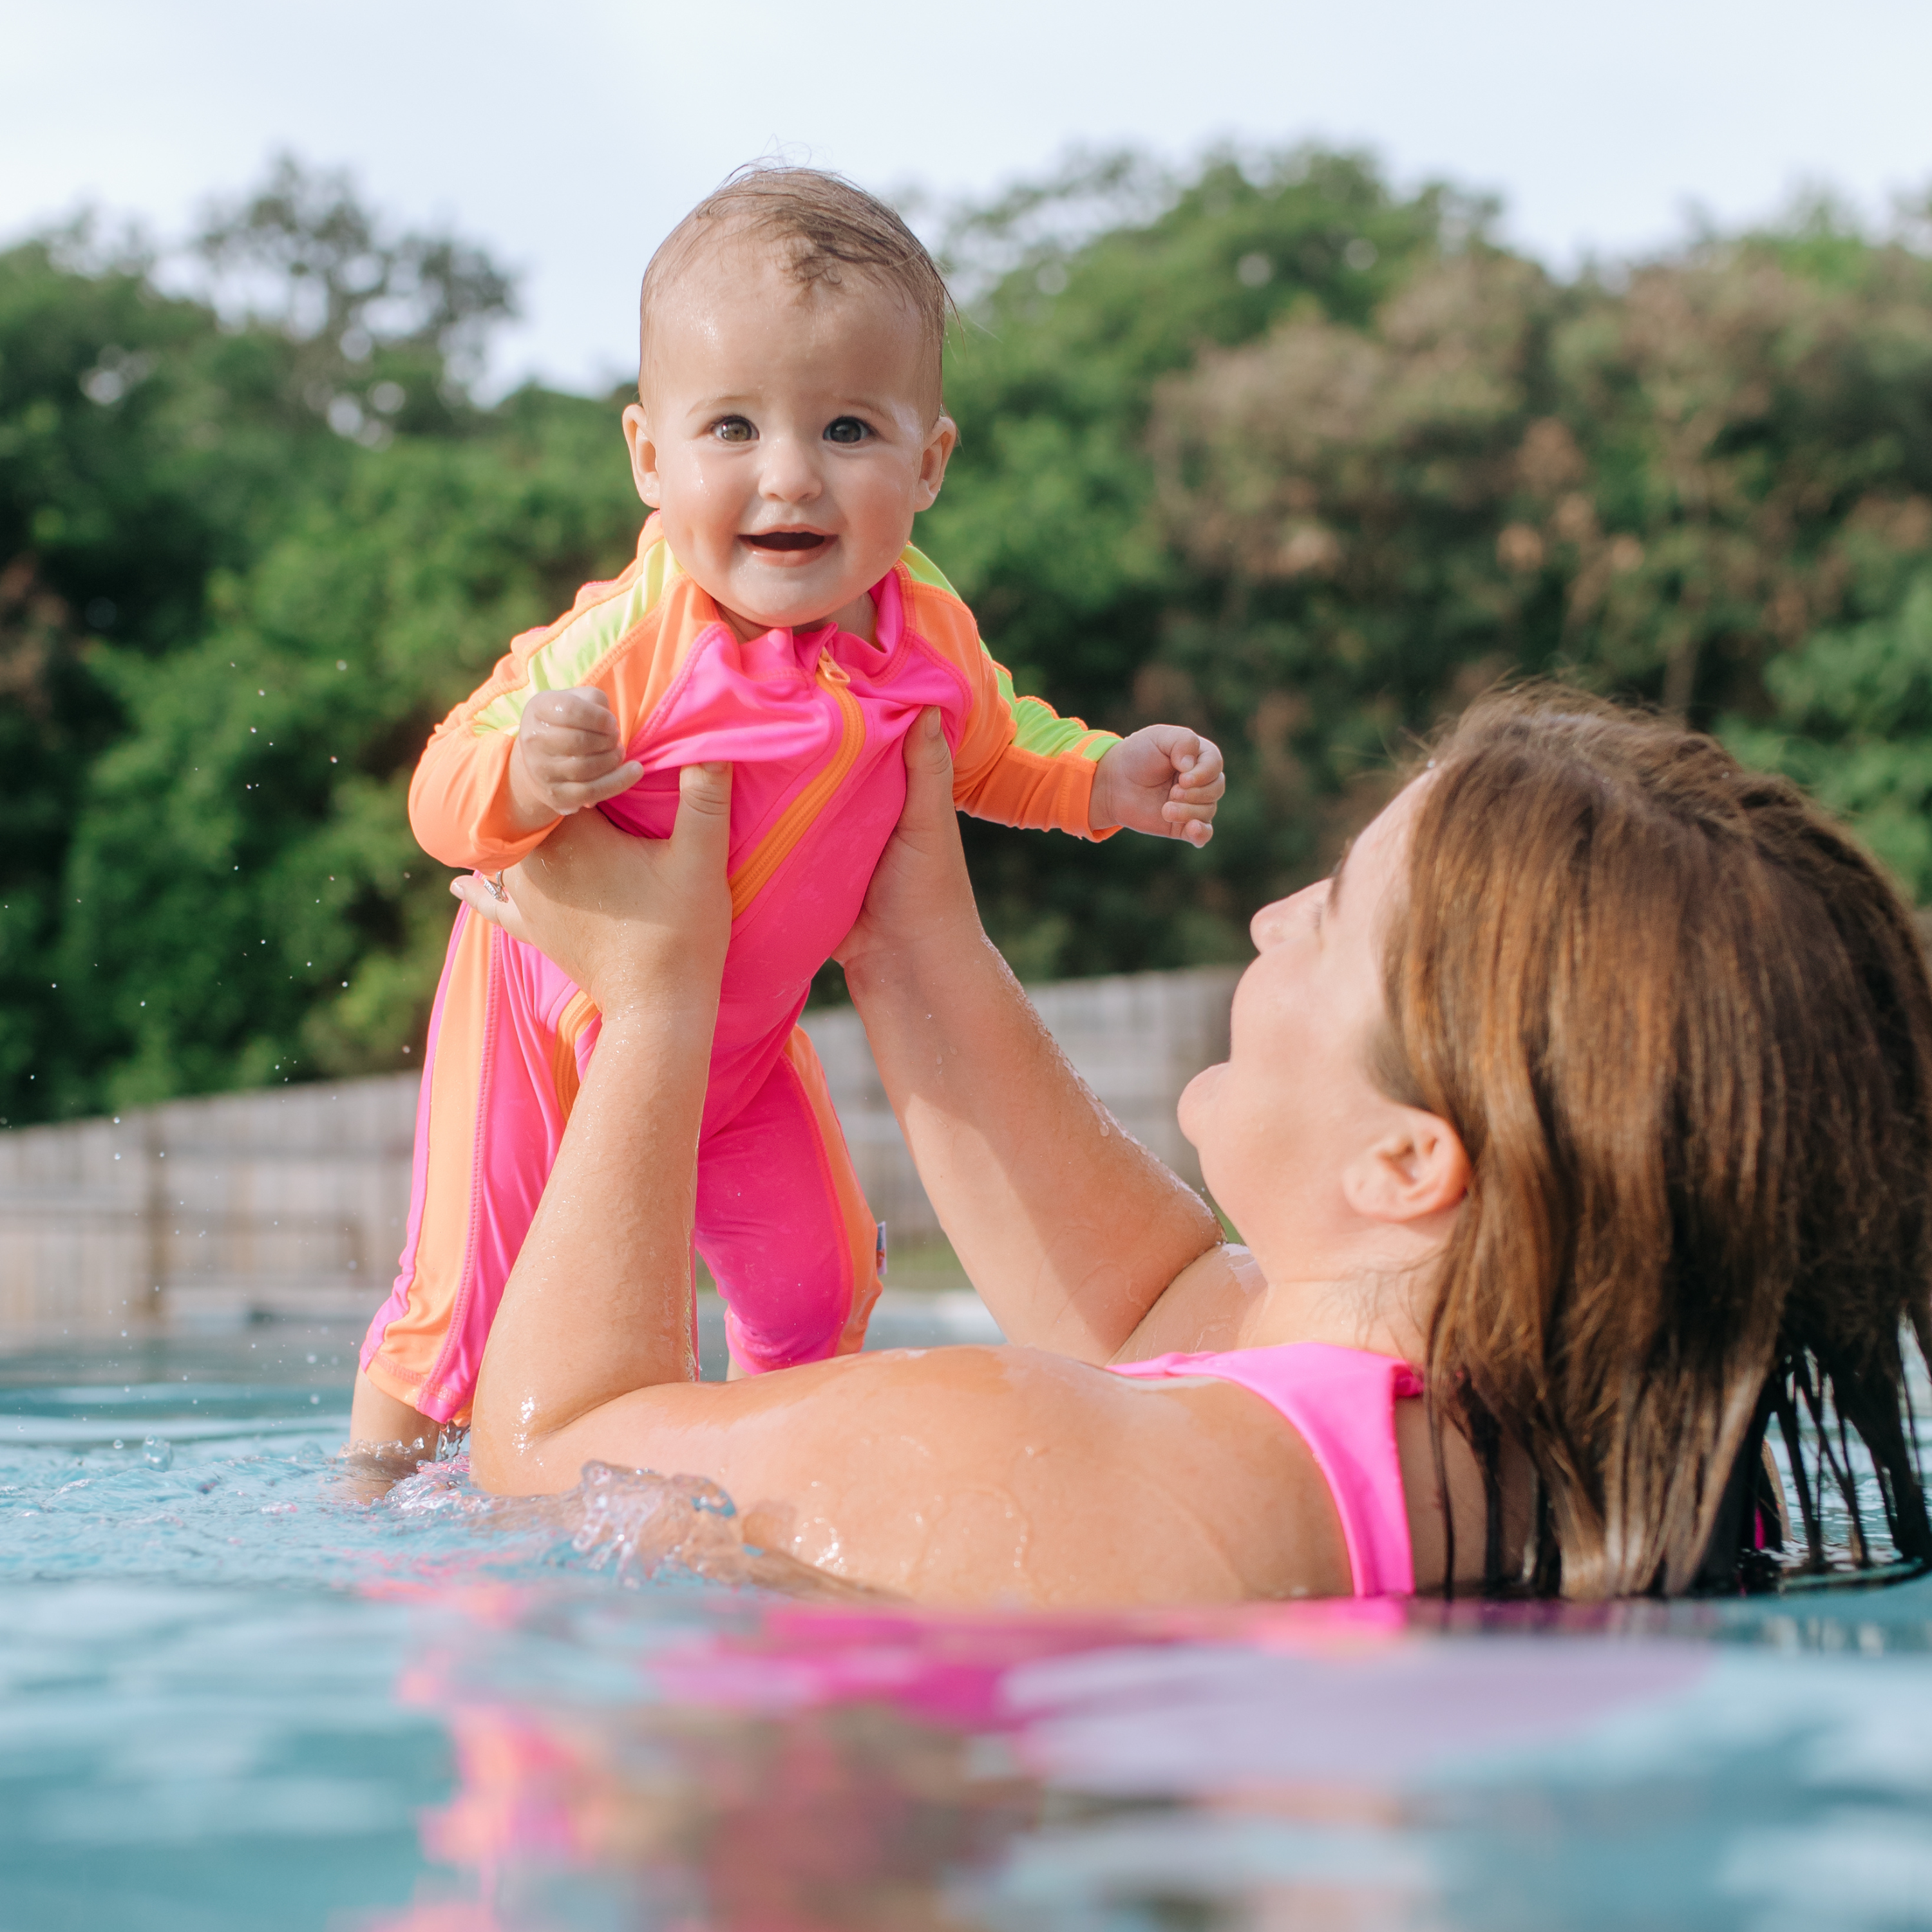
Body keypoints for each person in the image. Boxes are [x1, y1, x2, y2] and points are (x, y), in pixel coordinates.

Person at [434, 688, 1932, 1604]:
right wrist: (907, 928)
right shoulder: (1551, 1458)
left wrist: (651, 1006)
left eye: (1334, 913)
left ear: (1412, 1162)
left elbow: (550, 1455)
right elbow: (1160, 1322)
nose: (1275, 918)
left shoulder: (1006, 1457)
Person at [351, 167, 1224, 1444]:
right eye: (734, 430)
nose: (792, 479)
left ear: (929, 464)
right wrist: (528, 777)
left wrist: (1104, 778)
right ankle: (373, 1492)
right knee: (466, 1307)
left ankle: (773, 1472)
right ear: (650, 456)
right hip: (542, 1019)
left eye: (849, 432)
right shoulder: (628, 639)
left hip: (745, 1053)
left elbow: (996, 750)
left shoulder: (929, 637)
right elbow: (442, 790)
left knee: (825, 1290)